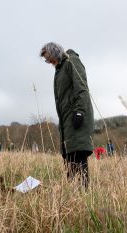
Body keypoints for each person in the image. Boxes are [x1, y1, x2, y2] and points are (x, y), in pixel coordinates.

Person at [40, 42, 94, 189]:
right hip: (66, 120)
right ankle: (72, 193)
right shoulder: (59, 70)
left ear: (56, 52)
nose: (49, 62)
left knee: (78, 154)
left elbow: (81, 88)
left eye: (49, 58)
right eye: (47, 60)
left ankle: (83, 193)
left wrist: (79, 111)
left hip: (76, 116)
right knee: (69, 156)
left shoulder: (71, 61)